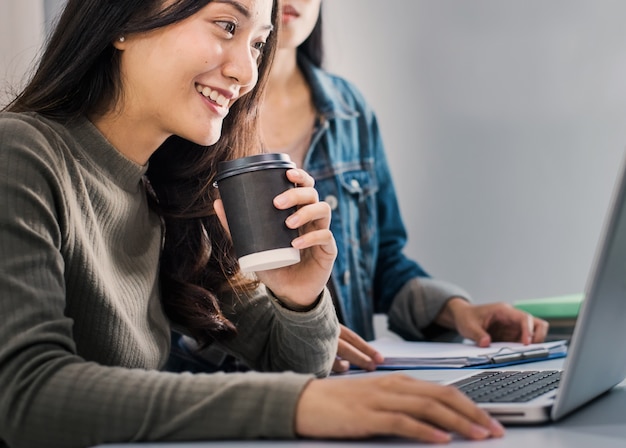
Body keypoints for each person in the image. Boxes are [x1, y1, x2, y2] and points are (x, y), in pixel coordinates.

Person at [0, 0, 506, 446]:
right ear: (125, 19)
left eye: (260, 43)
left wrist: (299, 297)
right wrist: (299, 406)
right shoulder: (20, 152)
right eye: (225, 25)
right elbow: (26, 394)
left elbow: (296, 363)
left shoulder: (169, 194)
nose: (246, 71)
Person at [169, 0, 550, 375]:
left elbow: (382, 261)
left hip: (354, 388)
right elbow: (174, 279)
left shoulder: (349, 110)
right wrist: (301, 334)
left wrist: (458, 311)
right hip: (241, 399)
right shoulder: (198, 108)